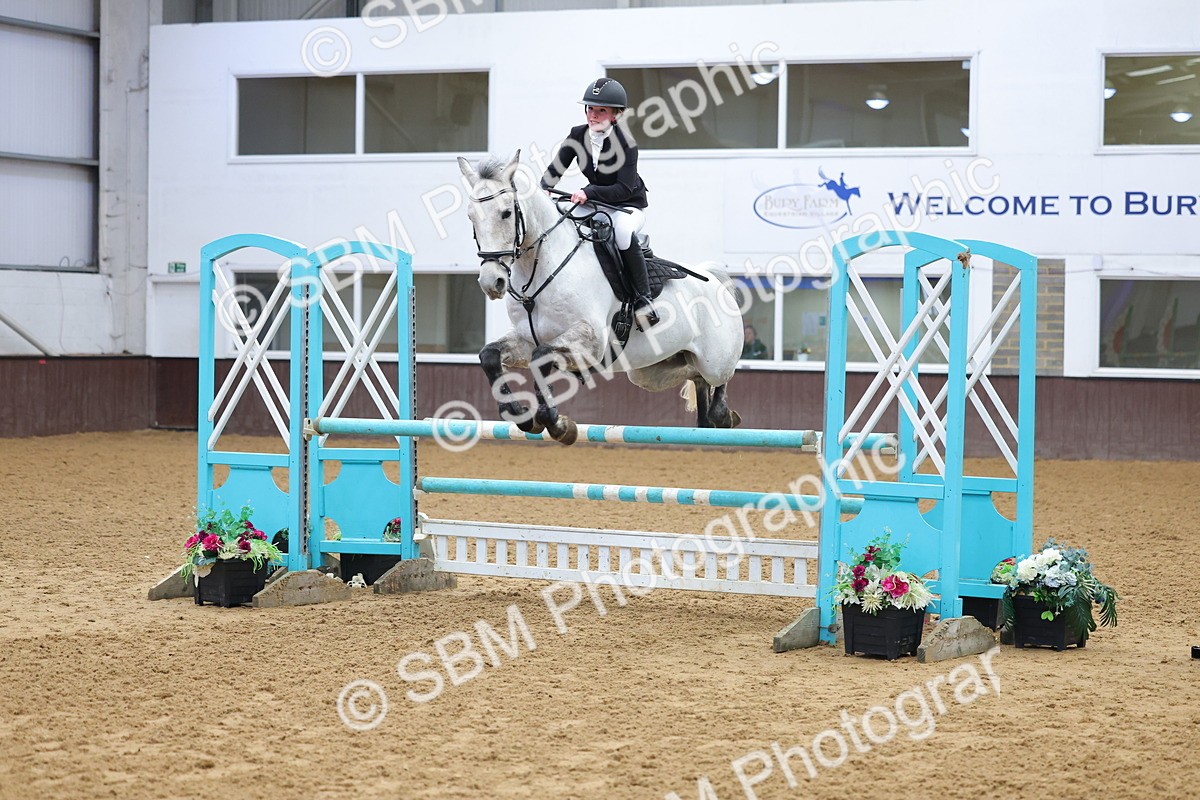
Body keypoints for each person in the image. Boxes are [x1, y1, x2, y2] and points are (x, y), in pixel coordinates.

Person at [540, 77, 658, 328]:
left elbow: (623, 188)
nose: (592, 115)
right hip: (595, 203)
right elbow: (556, 169)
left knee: (623, 233)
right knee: (561, 216)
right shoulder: (577, 135)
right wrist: (544, 189)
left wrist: (589, 192)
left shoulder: (627, 144)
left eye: (601, 110)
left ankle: (644, 299)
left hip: (626, 205)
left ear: (616, 114)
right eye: (589, 109)